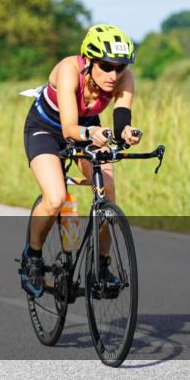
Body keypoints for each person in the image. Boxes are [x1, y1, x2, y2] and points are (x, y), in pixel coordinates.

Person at [19, 24, 142, 298]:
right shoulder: (68, 70)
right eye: (106, 66)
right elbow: (68, 130)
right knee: (55, 197)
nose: (114, 74)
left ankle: (102, 265)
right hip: (47, 129)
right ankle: (33, 257)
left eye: (120, 67)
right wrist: (92, 133)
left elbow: (122, 116)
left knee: (107, 194)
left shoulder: (124, 78)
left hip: (87, 127)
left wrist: (127, 132)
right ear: (89, 60)